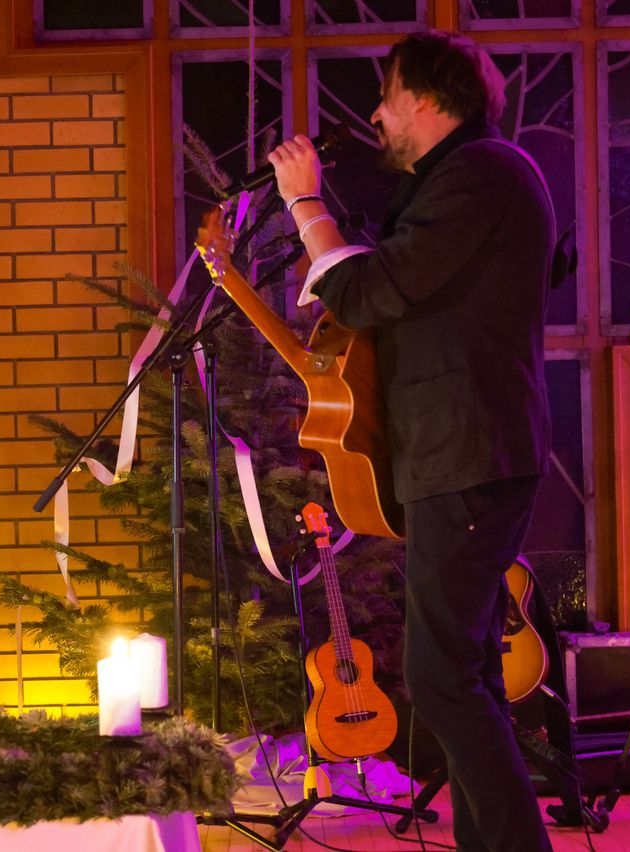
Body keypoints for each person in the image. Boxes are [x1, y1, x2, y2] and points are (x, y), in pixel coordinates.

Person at [266, 30, 555, 852]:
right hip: (465, 451)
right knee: (460, 676)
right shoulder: (466, 179)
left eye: (388, 97)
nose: (376, 115)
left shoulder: (481, 173)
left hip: (470, 451)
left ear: (427, 101)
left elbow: (368, 290)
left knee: (441, 677)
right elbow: (395, 282)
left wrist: (305, 202)